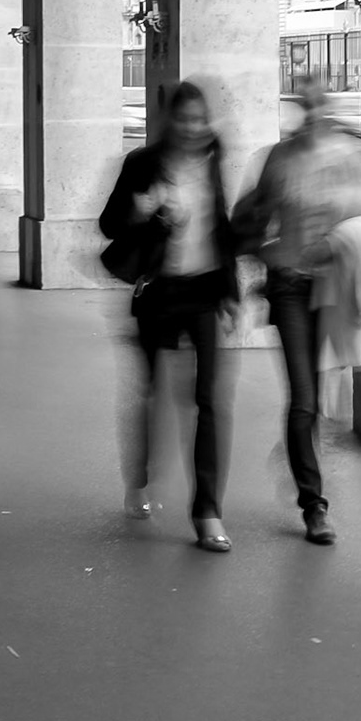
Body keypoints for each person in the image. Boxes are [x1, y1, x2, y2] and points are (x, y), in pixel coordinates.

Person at [233, 74, 361, 546]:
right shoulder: (279, 159)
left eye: (317, 101)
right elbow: (251, 221)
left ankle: (299, 449)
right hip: (290, 289)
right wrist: (267, 252)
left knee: (326, 396)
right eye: (302, 103)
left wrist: (339, 242)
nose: (310, 111)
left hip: (342, 287)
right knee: (304, 397)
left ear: (330, 105)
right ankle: (314, 505)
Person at [97, 81, 240, 552]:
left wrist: (231, 291)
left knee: (208, 401)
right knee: (153, 392)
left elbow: (221, 226)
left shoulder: (215, 161)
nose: (193, 127)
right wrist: (142, 214)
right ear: (169, 121)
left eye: (200, 119)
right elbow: (109, 224)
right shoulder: (143, 164)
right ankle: (138, 478)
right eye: (185, 118)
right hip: (159, 291)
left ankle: (207, 512)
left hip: (203, 291)